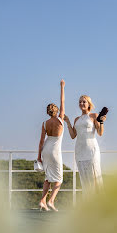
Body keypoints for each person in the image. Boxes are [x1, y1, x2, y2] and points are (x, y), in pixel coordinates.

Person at [64, 95, 106, 197]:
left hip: (92, 150)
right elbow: (73, 135)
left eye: (84, 102)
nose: (81, 103)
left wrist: (101, 122)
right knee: (85, 180)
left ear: (88, 104)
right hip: (79, 151)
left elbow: (100, 133)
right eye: (80, 102)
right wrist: (68, 121)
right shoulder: (76, 119)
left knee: (95, 177)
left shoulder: (94, 116)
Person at [37, 79, 65, 211]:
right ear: (57, 111)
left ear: (48, 112)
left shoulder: (44, 123)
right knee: (59, 178)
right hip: (55, 150)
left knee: (48, 177)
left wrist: (39, 156)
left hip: (45, 150)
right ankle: (51, 201)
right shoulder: (60, 119)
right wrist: (62, 86)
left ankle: (42, 201)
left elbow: (41, 141)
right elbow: (63, 101)